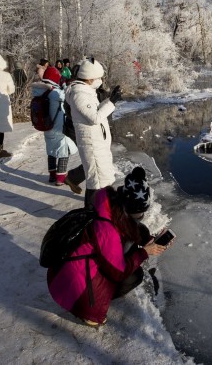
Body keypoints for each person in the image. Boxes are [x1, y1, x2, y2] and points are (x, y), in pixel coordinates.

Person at [47, 167, 170, 327]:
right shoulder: (107, 230)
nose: (141, 217)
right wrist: (144, 252)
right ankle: (86, 308)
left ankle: (93, 295)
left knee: (135, 251)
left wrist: (150, 242)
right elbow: (119, 272)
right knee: (133, 275)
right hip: (69, 288)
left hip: (66, 272)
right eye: (140, 214)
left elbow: (135, 233)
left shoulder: (112, 208)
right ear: (130, 209)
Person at [64, 58, 123, 207]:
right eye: (98, 78)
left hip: (96, 140)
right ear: (89, 78)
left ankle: (97, 212)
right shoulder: (80, 94)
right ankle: (91, 215)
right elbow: (95, 117)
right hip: (91, 143)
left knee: (98, 177)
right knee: (95, 181)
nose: (100, 80)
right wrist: (111, 103)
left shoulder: (87, 91)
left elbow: (94, 111)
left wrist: (110, 99)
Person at [34, 66, 82, 193]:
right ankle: (60, 178)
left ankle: (52, 175)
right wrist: (67, 85)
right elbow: (68, 96)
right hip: (58, 127)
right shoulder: (55, 93)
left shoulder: (39, 90)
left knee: (51, 150)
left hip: (46, 125)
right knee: (63, 150)